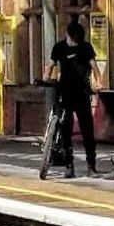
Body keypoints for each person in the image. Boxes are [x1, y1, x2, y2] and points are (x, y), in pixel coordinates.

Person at [44, 21, 99, 177]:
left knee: (87, 130)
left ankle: (91, 165)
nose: (75, 42)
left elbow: (94, 66)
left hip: (82, 92)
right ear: (67, 35)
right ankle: (69, 165)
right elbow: (51, 64)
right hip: (65, 92)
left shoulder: (86, 47)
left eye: (77, 39)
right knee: (65, 130)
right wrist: (46, 76)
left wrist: (98, 81)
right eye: (73, 39)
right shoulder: (59, 47)